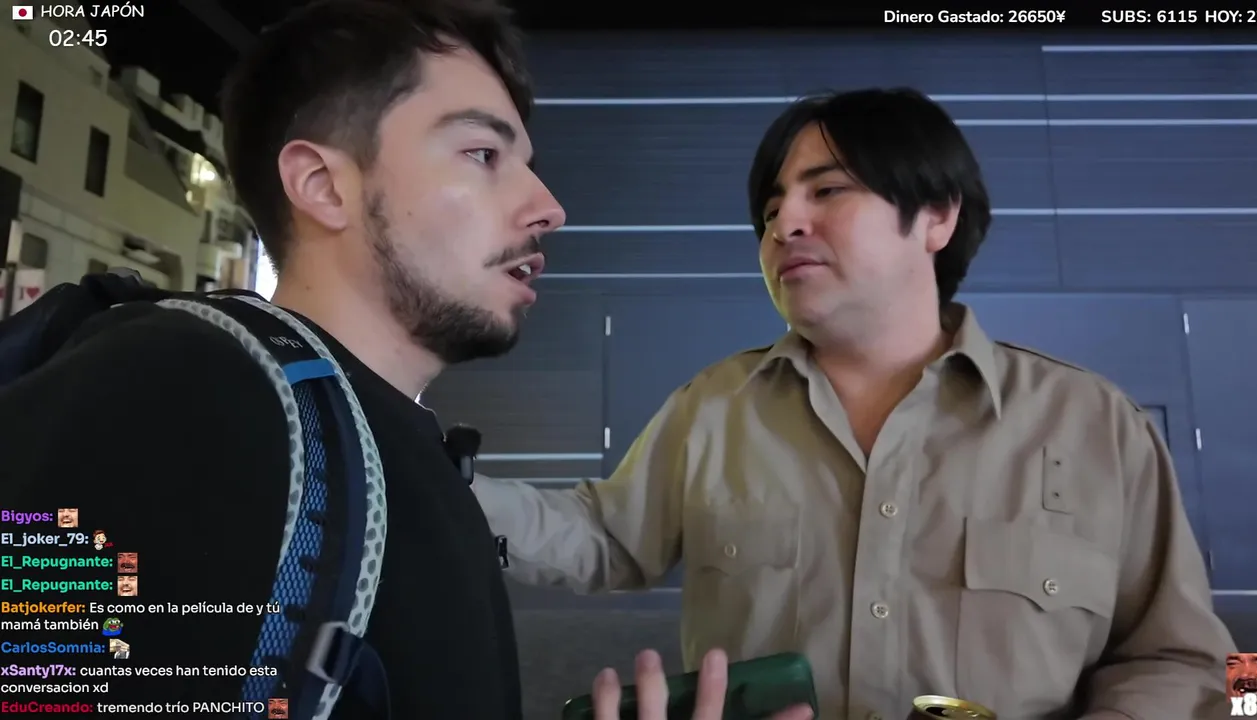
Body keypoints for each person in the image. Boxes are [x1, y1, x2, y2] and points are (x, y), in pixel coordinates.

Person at [0, 1, 787, 718]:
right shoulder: (172, 387)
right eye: (483, 153)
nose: (548, 206)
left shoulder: (379, 443)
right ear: (323, 186)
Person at [474, 88, 1239, 719]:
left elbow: (1194, 661)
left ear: (936, 216)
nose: (785, 224)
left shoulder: (1094, 422)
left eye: (828, 190)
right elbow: (605, 538)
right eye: (770, 210)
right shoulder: (713, 408)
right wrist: (437, 485)